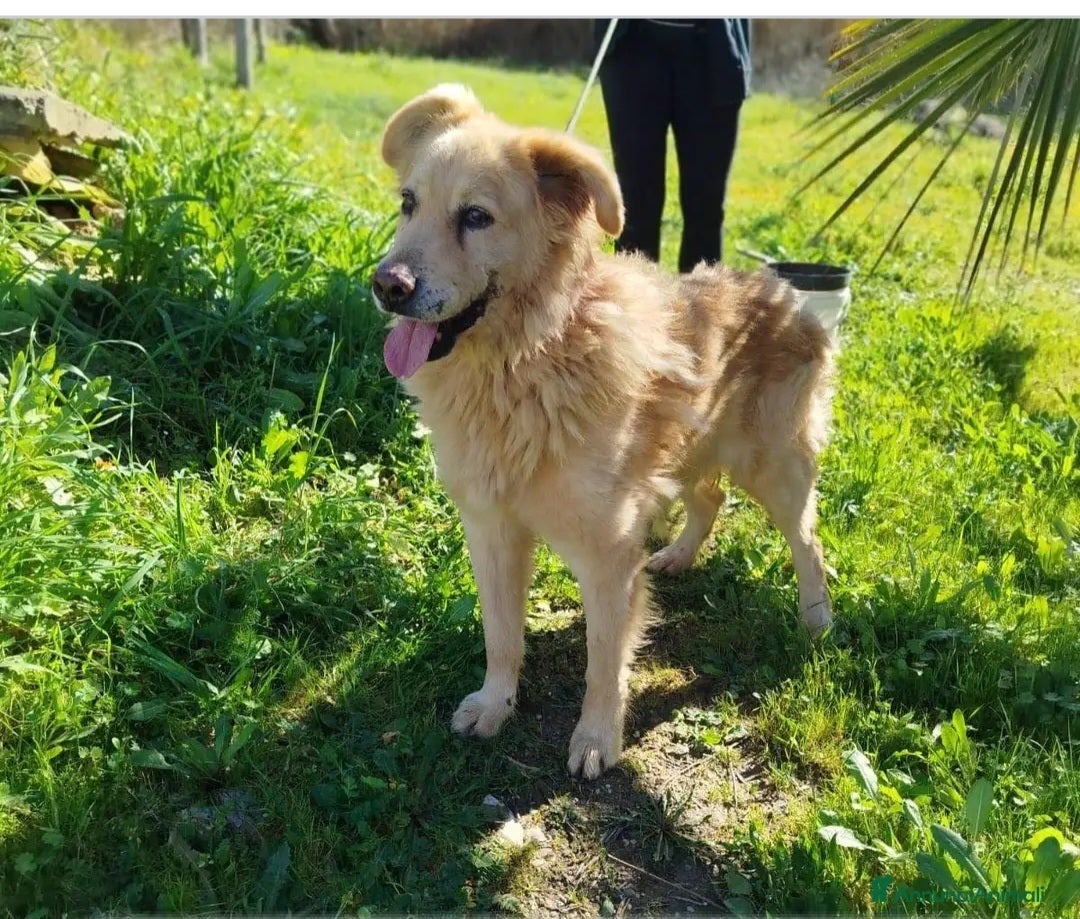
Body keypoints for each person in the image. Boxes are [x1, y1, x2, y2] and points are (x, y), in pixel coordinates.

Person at [595, 18, 751, 273]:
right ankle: (635, 298)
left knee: (705, 207)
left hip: (714, 50)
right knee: (635, 204)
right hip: (632, 46)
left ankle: (703, 299)